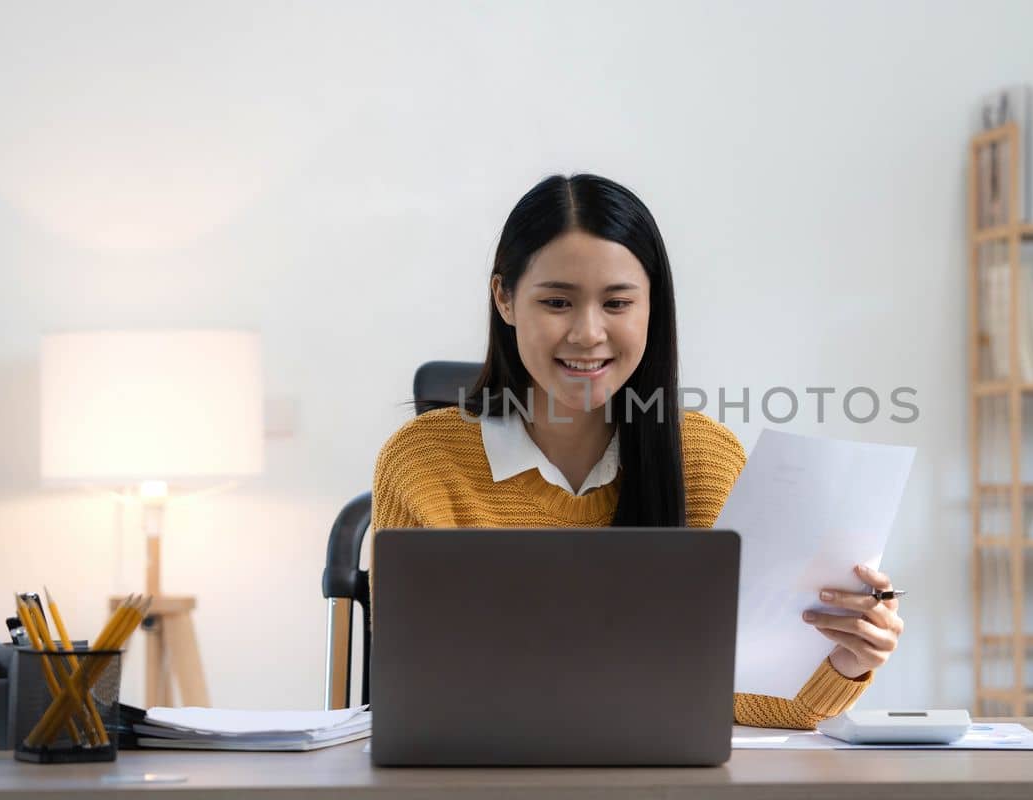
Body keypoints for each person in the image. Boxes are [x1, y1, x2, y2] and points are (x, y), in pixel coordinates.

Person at [371, 173, 904, 729]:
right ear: (504, 299)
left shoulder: (701, 456)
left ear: (652, 306)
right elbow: (416, 688)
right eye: (557, 301)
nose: (588, 332)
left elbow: (747, 698)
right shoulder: (422, 463)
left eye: (618, 303)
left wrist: (846, 658)